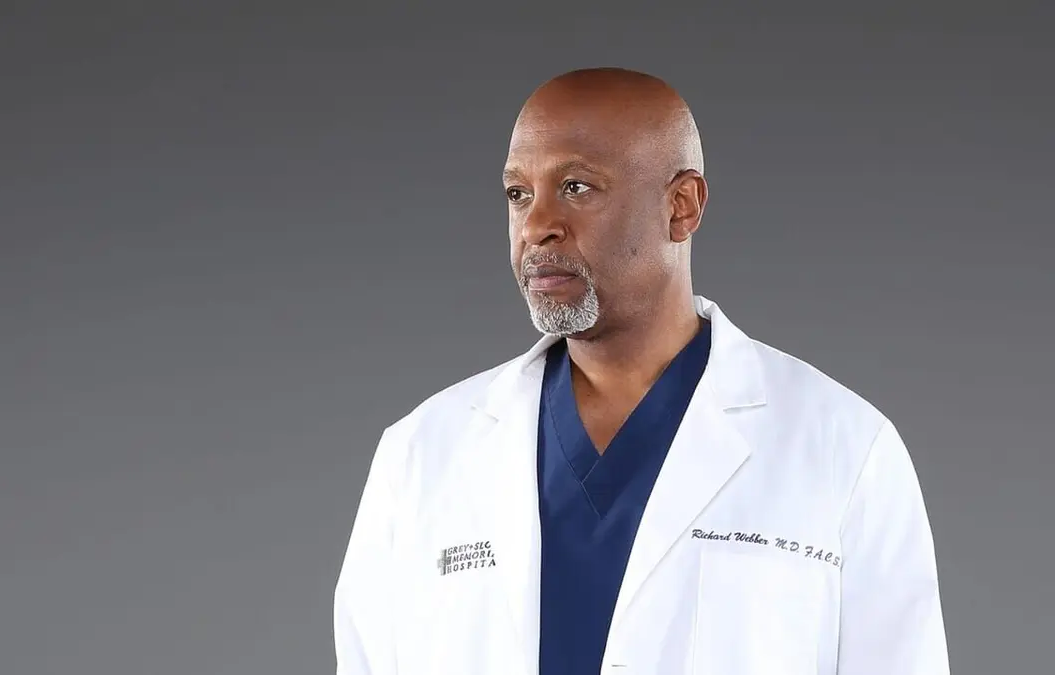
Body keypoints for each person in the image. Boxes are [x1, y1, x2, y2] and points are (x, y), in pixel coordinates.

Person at [333, 67, 950, 675]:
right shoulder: (421, 453)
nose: (537, 226)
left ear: (681, 206)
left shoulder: (842, 447)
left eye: (576, 187)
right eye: (518, 194)